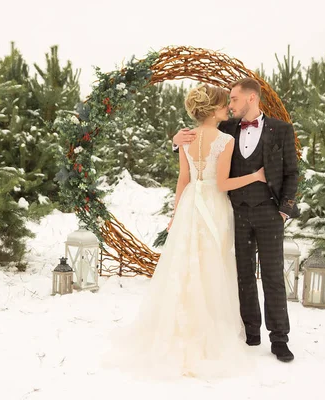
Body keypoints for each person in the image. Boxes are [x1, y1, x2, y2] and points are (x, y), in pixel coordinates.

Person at [103, 84, 266, 379]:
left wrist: (176, 212)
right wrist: (255, 176)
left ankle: (181, 322)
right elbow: (223, 184)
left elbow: (183, 179)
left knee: (185, 261)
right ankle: (207, 327)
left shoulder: (186, 139)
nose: (227, 109)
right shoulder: (225, 140)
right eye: (222, 105)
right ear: (213, 109)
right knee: (212, 262)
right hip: (214, 205)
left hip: (191, 202)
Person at [173, 77, 300, 362]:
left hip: (269, 213)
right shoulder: (227, 128)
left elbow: (292, 172)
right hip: (236, 212)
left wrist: (284, 209)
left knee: (272, 276)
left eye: (234, 99)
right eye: (227, 101)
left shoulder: (281, 130)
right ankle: (250, 332)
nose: (229, 105)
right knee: (242, 274)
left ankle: (279, 338)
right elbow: (199, 137)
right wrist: (174, 141)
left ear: (251, 98)